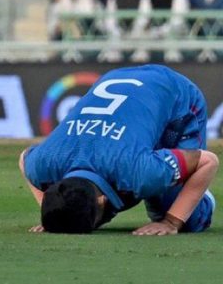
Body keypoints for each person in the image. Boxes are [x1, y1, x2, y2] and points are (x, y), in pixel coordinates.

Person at [20, 65, 218, 235]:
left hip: (177, 97)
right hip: (119, 80)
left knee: (178, 212)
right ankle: (164, 166)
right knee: (150, 176)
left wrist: (171, 222)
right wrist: (57, 208)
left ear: (101, 200)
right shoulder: (42, 164)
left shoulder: (139, 171)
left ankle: (200, 196)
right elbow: (23, 159)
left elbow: (208, 161)